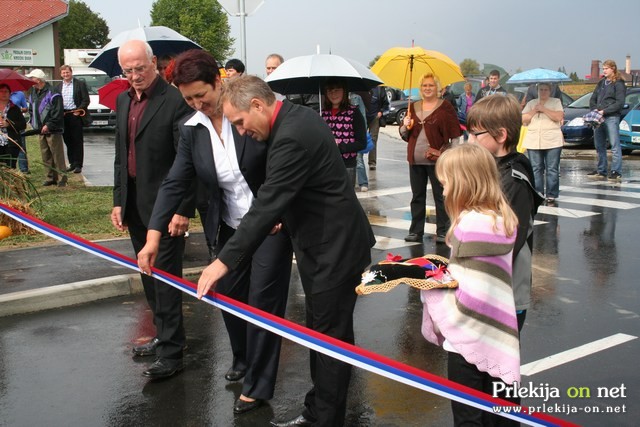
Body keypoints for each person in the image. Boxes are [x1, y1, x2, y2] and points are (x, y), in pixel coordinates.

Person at [199, 75, 375, 427]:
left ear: (259, 105)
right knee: (325, 335)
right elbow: (293, 189)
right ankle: (319, 411)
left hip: (334, 250)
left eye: (240, 122)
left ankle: (323, 419)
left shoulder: (291, 136)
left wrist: (222, 262)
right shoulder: (297, 115)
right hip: (328, 245)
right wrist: (281, 213)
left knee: (328, 342)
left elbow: (267, 203)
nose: (241, 131)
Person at [137, 49, 293, 415]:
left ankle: (258, 386)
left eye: (201, 96)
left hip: (270, 227)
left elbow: (279, 169)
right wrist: (153, 237)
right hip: (228, 228)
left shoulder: (247, 118)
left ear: (218, 83)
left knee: (263, 305)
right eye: (188, 99)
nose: (196, 104)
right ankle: (243, 359)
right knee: (232, 299)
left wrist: (282, 210)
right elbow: (175, 182)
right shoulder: (191, 130)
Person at [110, 39, 194, 380]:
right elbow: (121, 154)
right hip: (134, 205)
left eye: (139, 68)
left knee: (167, 280)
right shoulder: (122, 100)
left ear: (154, 62)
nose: (134, 76)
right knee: (149, 276)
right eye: (127, 70)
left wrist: (182, 209)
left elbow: (187, 160)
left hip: (166, 208)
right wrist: (118, 200)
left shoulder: (174, 101)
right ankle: (164, 336)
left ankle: (172, 354)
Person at [431, 143, 520, 427]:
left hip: (465, 342)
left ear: (463, 185)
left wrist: (429, 286)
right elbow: (485, 287)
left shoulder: (467, 227)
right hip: (499, 337)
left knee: (469, 416)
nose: (443, 192)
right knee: (503, 412)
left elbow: (465, 293)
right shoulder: (502, 220)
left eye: (446, 184)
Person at [466, 95, 543, 333]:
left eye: (475, 134)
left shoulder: (514, 180)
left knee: (495, 364)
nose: (469, 141)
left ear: (500, 135)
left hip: (503, 293)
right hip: (485, 286)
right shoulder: (490, 168)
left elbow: (509, 240)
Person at [399, 73, 461, 244]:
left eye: (431, 85)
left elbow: (455, 133)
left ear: (438, 88)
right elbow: (405, 134)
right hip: (415, 160)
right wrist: (405, 124)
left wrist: (451, 155)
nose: (427, 88)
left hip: (437, 160)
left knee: (440, 196)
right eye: (424, 85)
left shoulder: (445, 107)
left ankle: (442, 231)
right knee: (417, 196)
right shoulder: (413, 106)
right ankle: (415, 231)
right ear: (420, 88)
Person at [521, 82, 564, 203]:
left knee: (552, 169)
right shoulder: (531, 103)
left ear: (550, 91)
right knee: (536, 168)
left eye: (545, 90)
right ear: (537, 91)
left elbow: (558, 117)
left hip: (552, 140)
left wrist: (544, 109)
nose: (543, 92)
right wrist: (535, 110)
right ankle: (538, 192)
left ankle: (552, 194)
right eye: (541, 90)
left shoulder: (556, 102)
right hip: (534, 140)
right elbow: (523, 119)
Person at [321, 78, 367, 188]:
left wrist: (340, 147)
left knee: (346, 201)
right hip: (326, 164)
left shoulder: (353, 112)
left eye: (337, 90)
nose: (333, 94)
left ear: (344, 91)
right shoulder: (322, 114)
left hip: (347, 165)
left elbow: (361, 143)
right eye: (330, 91)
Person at [26, 68, 67, 187]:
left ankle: (62, 178)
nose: (30, 80)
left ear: (38, 80)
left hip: (53, 129)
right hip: (40, 129)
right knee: (45, 155)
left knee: (57, 154)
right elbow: (31, 108)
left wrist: (48, 125)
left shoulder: (53, 92)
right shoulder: (33, 92)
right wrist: (32, 121)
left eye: (32, 78)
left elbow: (57, 112)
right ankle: (50, 177)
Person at [588, 59, 626, 182]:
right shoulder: (601, 83)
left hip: (611, 117)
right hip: (598, 117)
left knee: (614, 145)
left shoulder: (619, 83)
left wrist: (605, 111)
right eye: (603, 68)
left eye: (606, 68)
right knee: (599, 145)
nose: (604, 71)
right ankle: (601, 170)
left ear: (613, 69)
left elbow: (619, 103)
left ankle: (616, 171)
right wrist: (595, 110)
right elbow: (593, 98)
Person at [55, 65, 90, 174]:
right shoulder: (58, 86)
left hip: (75, 115)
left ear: (71, 72)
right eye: (63, 73)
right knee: (68, 140)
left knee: (77, 141)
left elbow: (86, 100)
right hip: (64, 116)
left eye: (67, 72)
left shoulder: (80, 84)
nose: (66, 75)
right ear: (61, 74)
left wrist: (78, 110)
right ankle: (72, 163)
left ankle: (79, 164)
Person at [0, 84, 27, 168]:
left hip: (11, 143)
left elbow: (23, 125)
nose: (3, 93)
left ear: (10, 93)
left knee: (10, 168)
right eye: (1, 91)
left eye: (6, 91)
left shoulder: (15, 108)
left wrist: (8, 125)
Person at [364, 85, 389, 171]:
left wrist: (381, 112)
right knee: (359, 139)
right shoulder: (362, 87)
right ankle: (358, 161)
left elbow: (386, 104)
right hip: (362, 116)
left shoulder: (380, 89)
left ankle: (372, 163)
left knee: (373, 140)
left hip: (375, 118)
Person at [9, 90, 29, 173]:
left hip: (17, 121)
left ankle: (23, 169)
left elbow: (25, 108)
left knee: (21, 145)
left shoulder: (19, 94)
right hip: (3, 124)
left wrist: (18, 109)